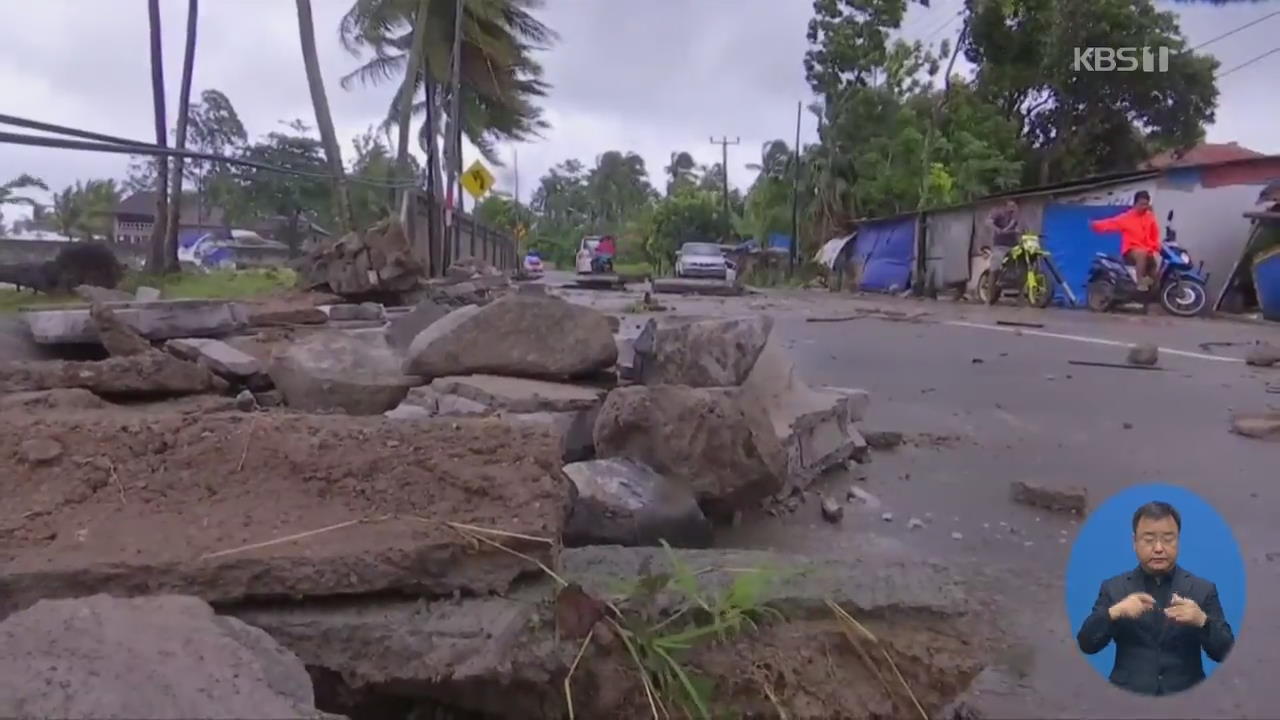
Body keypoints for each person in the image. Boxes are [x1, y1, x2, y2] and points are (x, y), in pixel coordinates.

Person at [1076, 501, 1235, 696]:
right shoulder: (1114, 588)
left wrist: (1202, 621)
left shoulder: (1203, 589)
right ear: (1134, 542)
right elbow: (1087, 644)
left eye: (1168, 539)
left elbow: (1226, 653)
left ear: (1178, 540)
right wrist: (1114, 613)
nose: (1159, 548)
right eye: (1149, 539)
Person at [1090, 191, 1161, 292]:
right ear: (1135, 204)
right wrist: (1095, 225)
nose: (1144, 207)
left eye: (1146, 204)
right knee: (1141, 253)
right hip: (1130, 251)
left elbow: (1154, 234)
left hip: (1147, 251)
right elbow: (1110, 223)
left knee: (1155, 275)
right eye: (1141, 204)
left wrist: (1157, 246)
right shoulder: (1126, 218)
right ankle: (1139, 282)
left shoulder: (1150, 217)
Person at [985, 199, 1021, 279]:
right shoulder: (998, 212)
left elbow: (1015, 226)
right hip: (1000, 245)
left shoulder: (1015, 216)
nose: (1013, 208)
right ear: (1006, 206)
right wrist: (997, 229)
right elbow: (988, 222)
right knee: (995, 267)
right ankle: (990, 290)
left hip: (1013, 245)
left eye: (1014, 206)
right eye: (1011, 206)